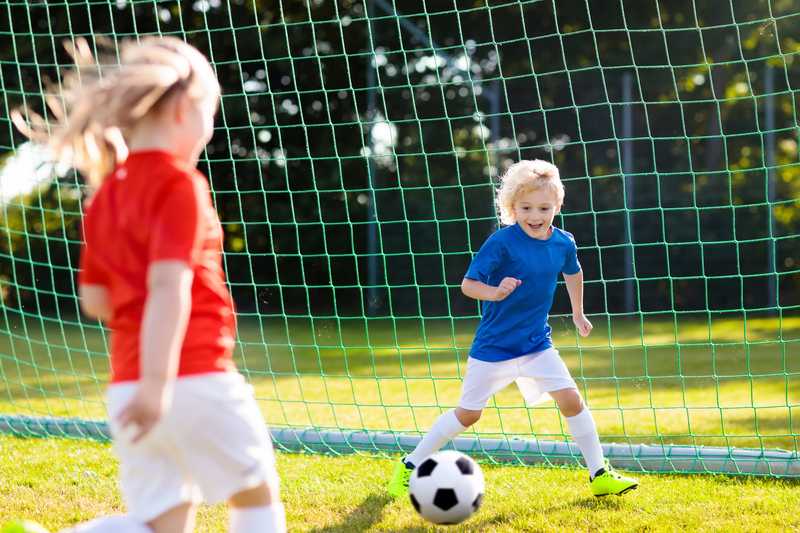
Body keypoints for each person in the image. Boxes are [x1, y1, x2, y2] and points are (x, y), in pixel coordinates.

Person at [12, 37, 285, 533]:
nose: (211, 127)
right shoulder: (180, 184)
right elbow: (168, 287)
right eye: (210, 113)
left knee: (161, 523)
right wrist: (161, 385)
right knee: (256, 489)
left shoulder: (104, 196)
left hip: (127, 386)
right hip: (192, 379)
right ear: (184, 111)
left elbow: (94, 301)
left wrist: (146, 374)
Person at [387, 159, 639, 498]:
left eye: (544, 208)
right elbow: (468, 285)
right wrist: (496, 291)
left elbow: (573, 273)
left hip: (537, 345)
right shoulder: (501, 243)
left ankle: (599, 474)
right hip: (494, 348)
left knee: (572, 400)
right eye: (526, 207)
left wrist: (578, 313)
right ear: (511, 207)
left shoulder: (563, 242)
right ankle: (410, 464)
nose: (535, 215)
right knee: (469, 414)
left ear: (557, 206)